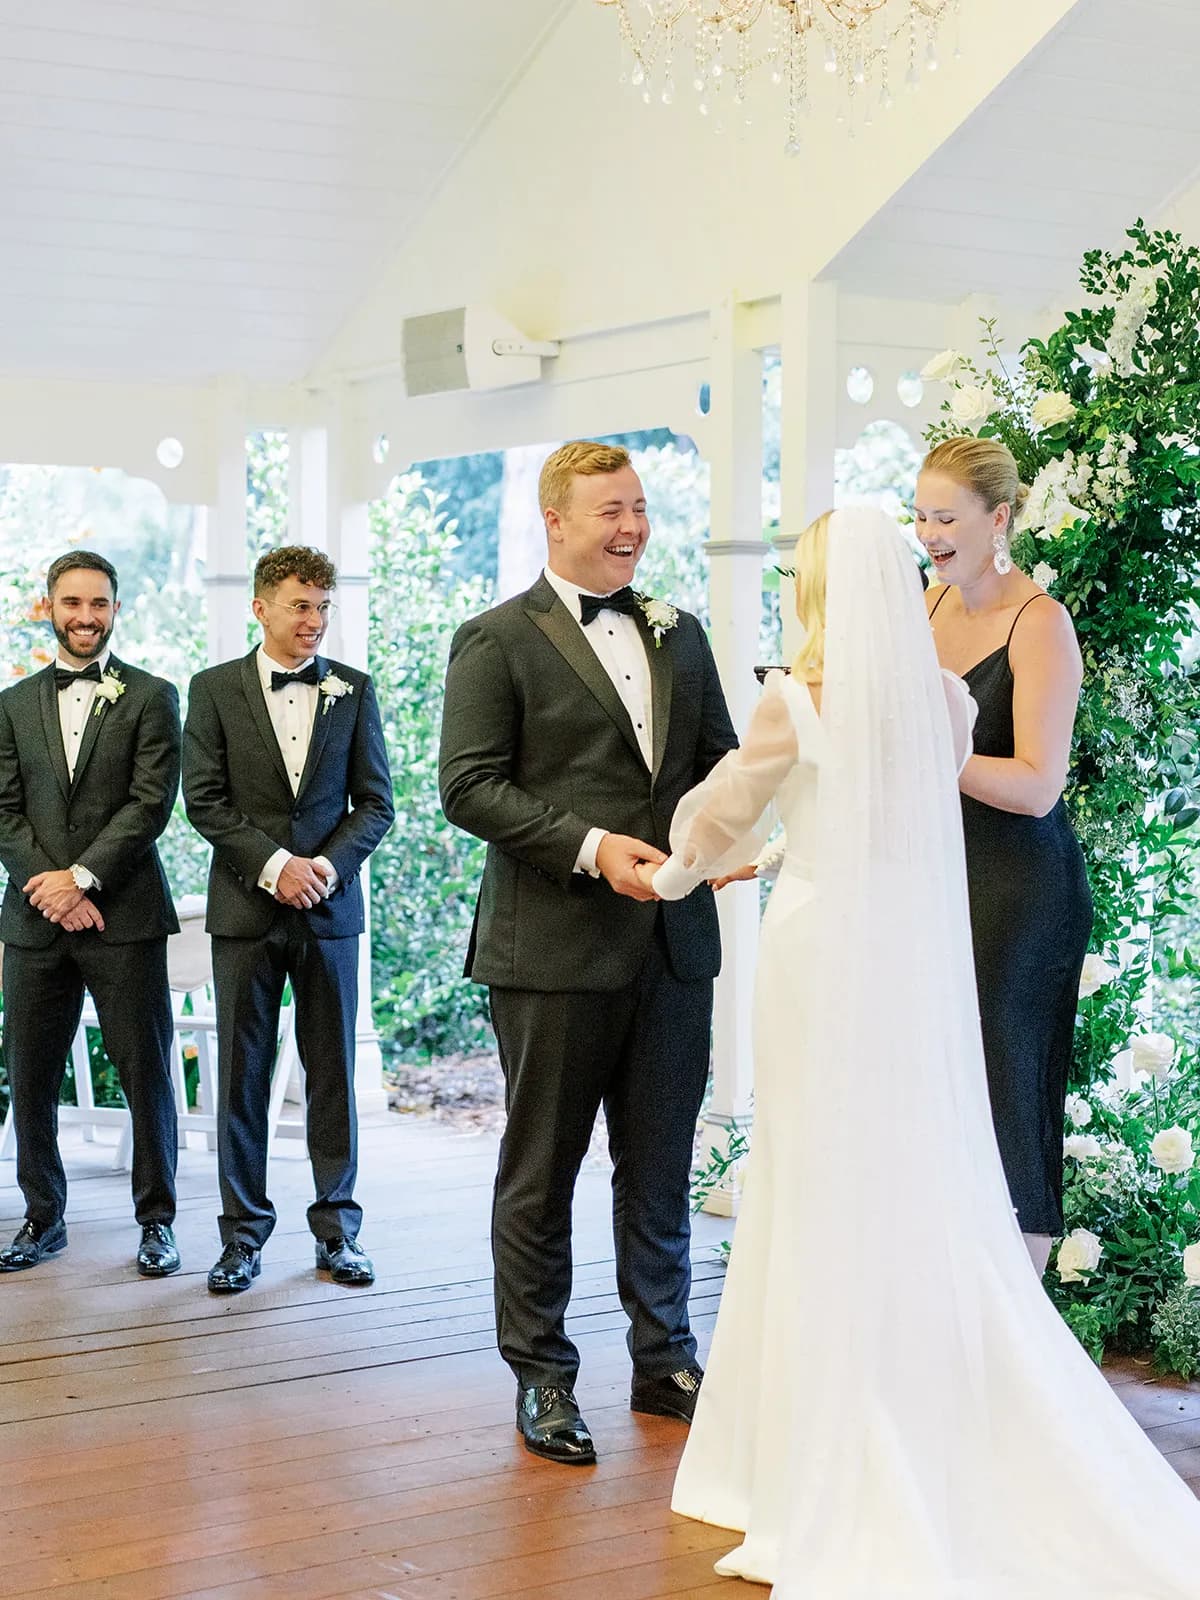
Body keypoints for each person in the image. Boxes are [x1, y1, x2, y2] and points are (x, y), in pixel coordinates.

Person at [649, 506, 1200, 1595]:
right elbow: (903, 816)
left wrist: (676, 870)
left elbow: (718, 817)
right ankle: (923, 1395)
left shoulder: (791, 700)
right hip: (909, 957)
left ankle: (798, 1444)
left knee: (814, 1179)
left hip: (818, 954)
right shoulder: (945, 701)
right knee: (909, 1167)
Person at [439, 440, 737, 1466]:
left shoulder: (681, 633)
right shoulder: (494, 640)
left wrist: (723, 839)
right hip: (553, 950)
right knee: (542, 1172)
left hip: (671, 946)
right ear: (553, 519)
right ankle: (544, 1377)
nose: (633, 527)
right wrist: (591, 847)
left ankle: (666, 1357)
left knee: (658, 1167)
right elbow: (468, 786)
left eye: (642, 507)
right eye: (611, 508)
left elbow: (716, 767)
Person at [183, 546, 393, 1294]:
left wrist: (326, 868)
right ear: (261, 607)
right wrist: (277, 867)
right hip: (246, 909)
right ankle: (241, 1237)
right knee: (242, 1074)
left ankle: (338, 1232)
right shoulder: (211, 690)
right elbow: (204, 799)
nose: (315, 621)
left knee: (331, 1070)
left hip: (330, 911)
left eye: (324, 606)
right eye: (301, 605)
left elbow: (376, 804)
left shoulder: (353, 691)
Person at [916, 435, 1092, 1276]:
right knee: (939, 1083)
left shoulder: (1040, 624)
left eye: (946, 516)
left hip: (1020, 890)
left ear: (1000, 518)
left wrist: (929, 755)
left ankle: (1020, 1306)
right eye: (920, 515)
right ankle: (954, 1292)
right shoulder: (927, 608)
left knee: (1006, 1084)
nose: (930, 533)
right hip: (939, 880)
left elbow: (1037, 784)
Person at [0, 551, 181, 1277]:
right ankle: (43, 1218)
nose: (85, 616)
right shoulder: (11, 704)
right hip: (34, 921)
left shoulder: (153, 696)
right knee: (32, 1075)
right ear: (49, 607)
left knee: (146, 1075)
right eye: (72, 603)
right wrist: (49, 887)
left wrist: (80, 879)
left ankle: (157, 1223)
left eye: (98, 604)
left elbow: (150, 805)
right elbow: (4, 810)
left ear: (115, 609)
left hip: (124, 915)